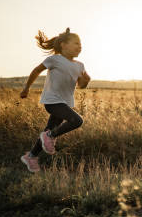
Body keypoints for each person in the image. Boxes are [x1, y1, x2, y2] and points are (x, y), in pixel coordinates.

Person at [19, 28, 90, 172]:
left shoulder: (80, 65)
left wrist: (86, 80)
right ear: (63, 45)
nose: (80, 46)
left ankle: (31, 156)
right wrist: (26, 88)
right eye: (76, 43)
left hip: (65, 103)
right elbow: (36, 71)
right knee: (77, 121)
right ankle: (50, 136)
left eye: (80, 44)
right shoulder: (54, 59)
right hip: (52, 101)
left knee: (48, 129)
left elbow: (81, 85)